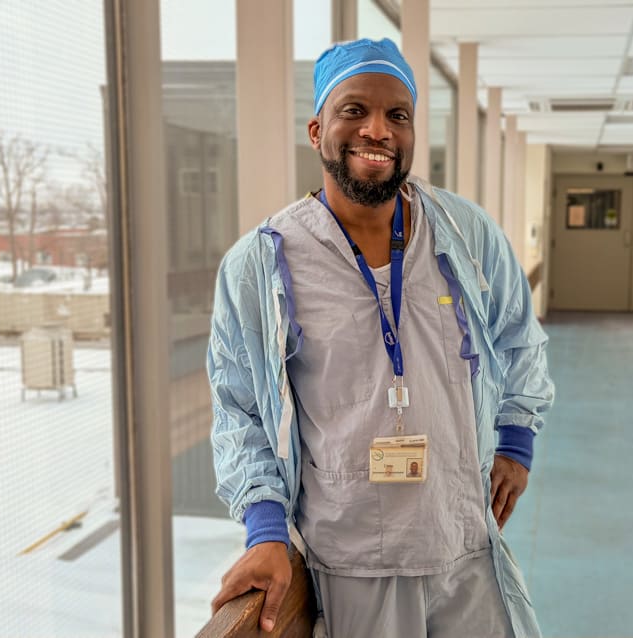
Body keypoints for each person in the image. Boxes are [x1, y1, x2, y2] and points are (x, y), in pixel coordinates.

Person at [207, 38, 554, 638]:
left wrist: (516, 443)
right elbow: (240, 411)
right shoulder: (262, 267)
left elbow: (519, 336)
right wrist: (264, 530)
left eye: (398, 115)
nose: (378, 130)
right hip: (355, 562)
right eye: (354, 111)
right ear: (317, 130)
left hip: (465, 543)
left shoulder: (466, 235)